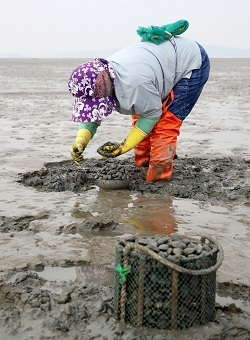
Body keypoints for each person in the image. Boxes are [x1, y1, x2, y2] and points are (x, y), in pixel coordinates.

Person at [68, 20, 210, 182]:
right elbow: (93, 114)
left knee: (166, 122)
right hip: (156, 65)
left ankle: (159, 175)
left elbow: (152, 114)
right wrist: (81, 140)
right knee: (141, 109)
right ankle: (143, 162)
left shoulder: (134, 84)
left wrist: (124, 146)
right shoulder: (100, 77)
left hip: (191, 61)